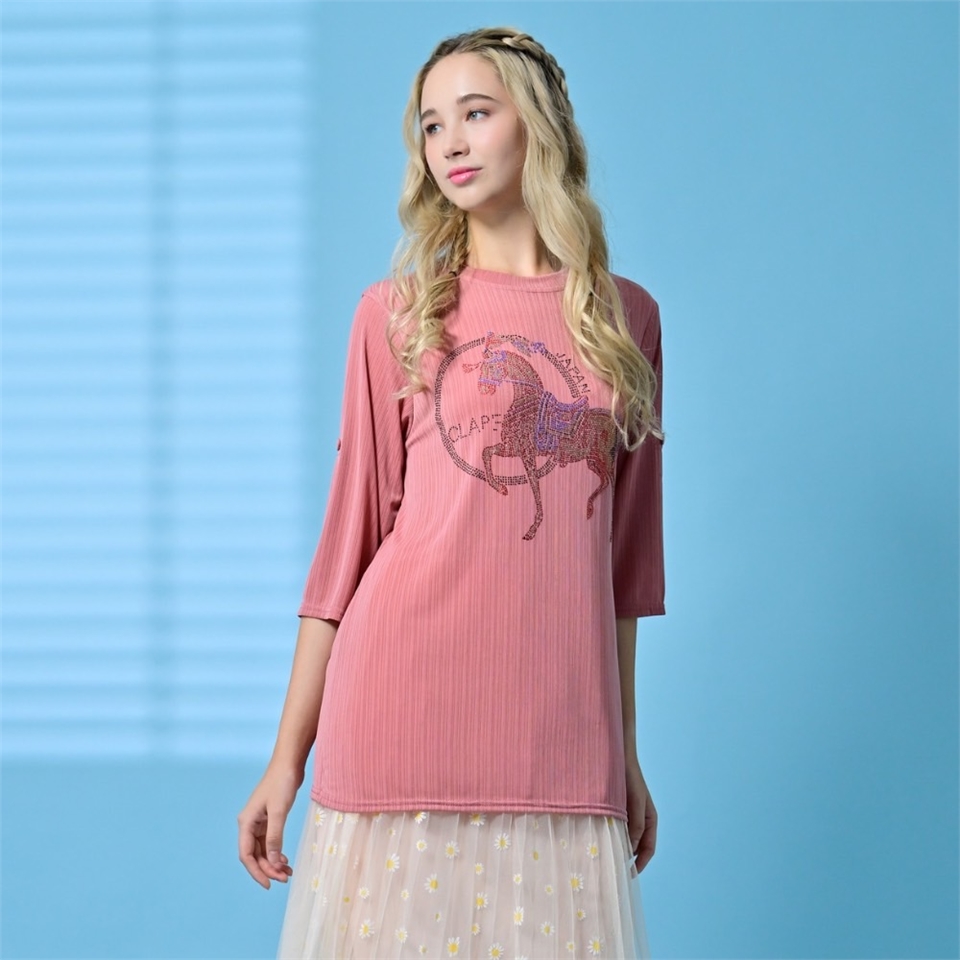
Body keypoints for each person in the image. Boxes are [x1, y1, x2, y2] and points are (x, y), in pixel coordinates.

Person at [237, 25, 665, 960]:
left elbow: (624, 565)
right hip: (399, 709)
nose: (451, 144)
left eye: (476, 113)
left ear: (538, 125)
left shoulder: (626, 320)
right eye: (432, 126)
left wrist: (624, 748)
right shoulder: (396, 315)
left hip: (562, 734)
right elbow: (346, 548)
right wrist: (285, 760)